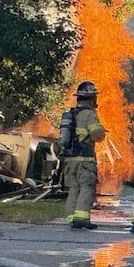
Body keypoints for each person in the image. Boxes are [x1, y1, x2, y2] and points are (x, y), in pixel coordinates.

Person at [59, 81, 106, 230]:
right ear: (92, 98)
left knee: (74, 189)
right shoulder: (89, 114)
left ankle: (72, 218)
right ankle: (82, 218)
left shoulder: (70, 114)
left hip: (70, 160)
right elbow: (97, 135)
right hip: (85, 160)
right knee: (87, 188)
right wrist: (101, 130)